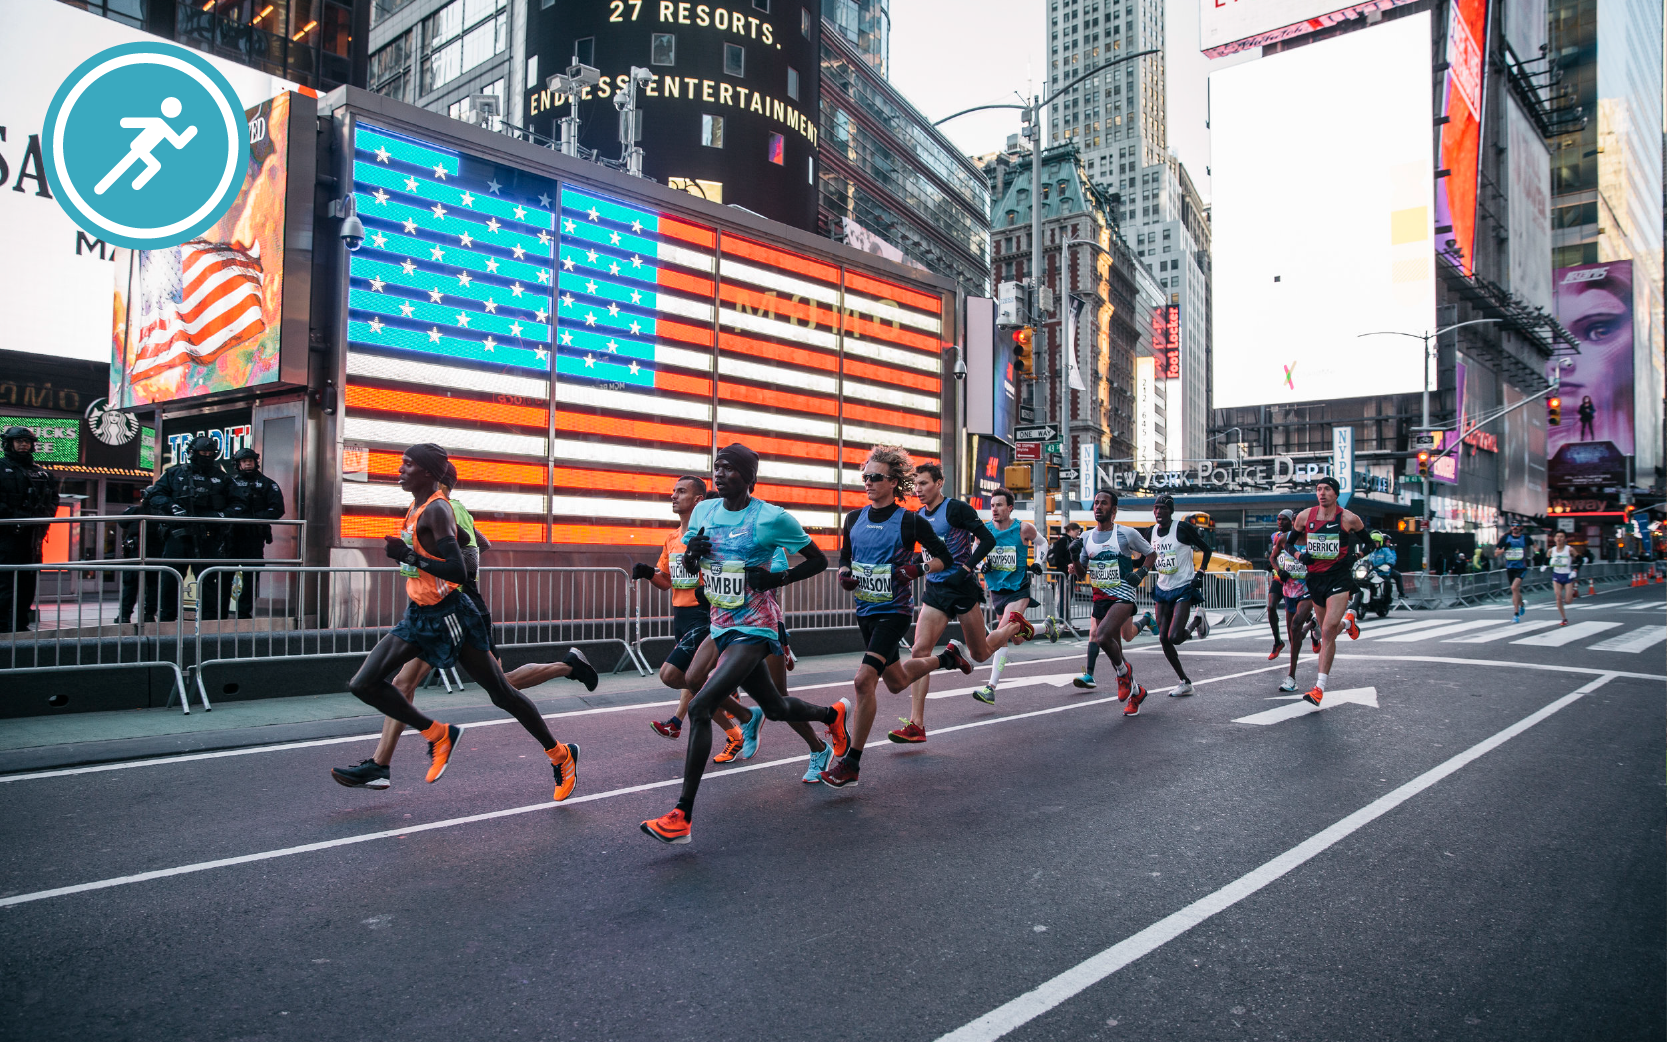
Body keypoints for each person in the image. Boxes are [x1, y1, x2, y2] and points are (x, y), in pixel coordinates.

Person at [333, 462, 596, 789]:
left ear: (433, 477)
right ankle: (380, 764)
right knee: (405, 681)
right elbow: (479, 541)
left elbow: (471, 557)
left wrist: (436, 568)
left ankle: (567, 668)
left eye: (412, 467)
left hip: (458, 611)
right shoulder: (421, 507)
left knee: (502, 686)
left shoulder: (449, 508)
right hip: (430, 612)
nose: (402, 472)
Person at [641, 443, 852, 844]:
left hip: (755, 626)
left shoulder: (771, 518)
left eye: (730, 469)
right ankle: (832, 715)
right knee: (774, 707)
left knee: (701, 705)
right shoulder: (704, 511)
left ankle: (682, 815)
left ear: (748, 477)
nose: (720, 475)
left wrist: (776, 579)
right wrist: (692, 556)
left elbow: (818, 560)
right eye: (717, 468)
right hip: (719, 622)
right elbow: (692, 567)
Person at [823, 445, 969, 784]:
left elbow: (945, 558)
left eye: (876, 477)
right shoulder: (853, 519)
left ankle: (852, 764)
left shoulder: (910, 521)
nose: (869, 483)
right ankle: (948, 657)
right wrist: (843, 574)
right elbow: (845, 559)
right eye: (866, 477)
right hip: (866, 611)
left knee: (863, 682)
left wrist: (916, 569)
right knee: (898, 681)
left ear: (894, 483)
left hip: (894, 612)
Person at [900, 463, 1041, 740]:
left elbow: (987, 540)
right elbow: (926, 555)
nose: (918, 490)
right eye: (916, 485)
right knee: (919, 650)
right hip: (936, 591)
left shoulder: (957, 509)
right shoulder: (918, 516)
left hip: (962, 589)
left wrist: (967, 568)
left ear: (939, 483)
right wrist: (907, 566)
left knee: (980, 654)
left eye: (924, 484)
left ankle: (1014, 627)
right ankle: (917, 724)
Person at [636, 478, 754, 762]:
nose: (673, 496)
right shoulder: (673, 538)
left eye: (681, 491)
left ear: (699, 500)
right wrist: (648, 572)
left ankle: (739, 713)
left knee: (673, 675)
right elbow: (667, 581)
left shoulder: (711, 536)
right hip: (681, 615)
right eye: (673, 491)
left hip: (704, 615)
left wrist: (709, 590)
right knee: (693, 680)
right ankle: (730, 728)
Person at [966, 486, 1056, 707]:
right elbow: (973, 550)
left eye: (999, 505)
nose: (994, 509)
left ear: (1010, 508)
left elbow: (1043, 542)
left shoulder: (1023, 528)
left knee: (1000, 634)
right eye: (992, 505)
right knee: (1015, 637)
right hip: (997, 590)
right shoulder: (985, 530)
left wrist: (1037, 563)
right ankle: (1046, 627)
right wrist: (981, 564)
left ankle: (991, 688)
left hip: (1019, 589)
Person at [1070, 489, 1156, 715]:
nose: (1098, 506)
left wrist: (1141, 573)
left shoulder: (1126, 534)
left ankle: (1122, 673)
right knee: (1113, 648)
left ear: (1114, 510)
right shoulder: (1086, 537)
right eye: (1096, 503)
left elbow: (1151, 554)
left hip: (1123, 595)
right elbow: (1080, 574)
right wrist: (1073, 556)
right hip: (1100, 599)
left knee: (1102, 636)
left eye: (1104, 503)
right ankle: (1136, 692)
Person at [1287, 476, 1365, 706]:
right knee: (1325, 630)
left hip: (1339, 578)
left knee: (1329, 629)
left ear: (1336, 494)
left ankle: (1318, 688)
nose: (1322, 493)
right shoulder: (1305, 517)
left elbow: (1370, 543)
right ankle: (1349, 623)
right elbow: (1289, 544)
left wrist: (1356, 556)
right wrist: (1300, 556)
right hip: (1315, 579)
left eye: (1327, 489)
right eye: (1319, 489)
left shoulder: (1349, 518)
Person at [146, 435, 235, 622]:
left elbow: (238, 503)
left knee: (208, 580)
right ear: (193, 453)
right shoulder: (175, 474)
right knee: (170, 578)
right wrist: (173, 508)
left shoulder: (222, 478)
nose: (207, 456)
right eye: (203, 452)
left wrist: (220, 516)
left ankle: (209, 623)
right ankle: (167, 621)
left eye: (210, 453)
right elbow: (155, 495)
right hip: (179, 534)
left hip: (208, 536)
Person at [1149, 493, 1213, 697]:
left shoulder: (1182, 529)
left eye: (1163, 508)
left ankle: (1197, 621)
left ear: (1171, 511)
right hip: (1162, 589)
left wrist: (1201, 573)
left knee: (1175, 637)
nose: (1159, 512)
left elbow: (1206, 549)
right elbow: (1147, 558)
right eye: (1156, 508)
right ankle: (1185, 681)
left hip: (1183, 587)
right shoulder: (1151, 532)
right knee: (1163, 637)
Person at [0, 427, 60, 632]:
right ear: (9, 443)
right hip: (6, 537)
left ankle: (20, 623)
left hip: (33, 537)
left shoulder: (42, 473)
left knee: (27, 583)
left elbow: (53, 499)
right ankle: (3, 625)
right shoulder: (1, 468)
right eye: (18, 441)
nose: (23, 444)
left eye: (27, 441)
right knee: (5, 583)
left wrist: (42, 519)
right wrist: (16, 517)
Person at [224, 447, 285, 620]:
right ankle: (220, 613)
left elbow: (277, 509)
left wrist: (254, 518)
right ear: (238, 464)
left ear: (256, 462)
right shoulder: (230, 482)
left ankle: (244, 613)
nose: (248, 464)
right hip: (231, 536)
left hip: (254, 537)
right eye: (244, 461)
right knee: (225, 575)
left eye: (250, 461)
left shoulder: (267, 483)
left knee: (251, 577)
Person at [115, 485, 165, 624]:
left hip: (137, 553)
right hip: (154, 553)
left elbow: (122, 522)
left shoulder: (136, 511)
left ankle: (125, 616)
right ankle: (148, 614)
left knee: (131, 585)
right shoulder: (160, 512)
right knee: (153, 585)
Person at [1271, 543, 1316, 691]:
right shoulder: (1285, 538)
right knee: (1293, 636)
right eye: (1295, 518)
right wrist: (1279, 570)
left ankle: (1291, 677)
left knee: (1296, 626)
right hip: (1289, 590)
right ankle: (1312, 624)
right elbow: (1272, 557)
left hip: (1308, 588)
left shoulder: (1312, 537)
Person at [1265, 510, 1296, 660]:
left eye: (1283, 520)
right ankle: (1277, 642)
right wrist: (1274, 566)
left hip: (1296, 580)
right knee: (1271, 607)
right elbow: (1275, 555)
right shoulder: (1275, 536)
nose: (1280, 522)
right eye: (1278, 519)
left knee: (1301, 615)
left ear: (1291, 521)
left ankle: (1313, 629)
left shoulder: (1299, 536)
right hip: (1279, 578)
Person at [1495, 521, 1531, 620]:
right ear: (1510, 527)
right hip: (1510, 568)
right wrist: (1504, 550)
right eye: (1513, 526)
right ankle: (1522, 604)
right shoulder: (1505, 538)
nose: (1515, 527)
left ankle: (1516, 614)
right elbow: (1496, 553)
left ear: (1521, 527)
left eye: (1517, 526)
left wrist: (1537, 553)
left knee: (1514, 587)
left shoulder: (1525, 538)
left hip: (1521, 568)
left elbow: (1535, 546)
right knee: (1515, 590)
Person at [1548, 529, 1577, 626]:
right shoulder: (1551, 550)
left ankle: (1572, 592)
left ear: (1565, 539)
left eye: (1561, 536)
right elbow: (1545, 560)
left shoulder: (1569, 549)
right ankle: (1564, 618)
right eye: (1557, 536)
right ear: (1554, 538)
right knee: (1558, 597)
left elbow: (1580, 560)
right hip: (1556, 575)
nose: (1559, 538)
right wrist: (1543, 566)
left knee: (1568, 601)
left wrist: (1575, 570)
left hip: (1567, 576)